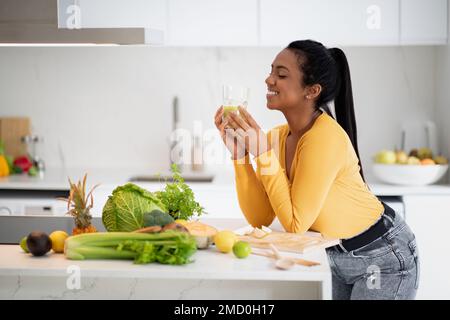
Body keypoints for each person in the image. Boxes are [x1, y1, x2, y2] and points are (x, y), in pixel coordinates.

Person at [213, 40, 419, 300]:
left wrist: (263, 153)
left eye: (281, 74)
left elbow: (296, 224)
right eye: (271, 71)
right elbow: (260, 218)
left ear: (311, 91)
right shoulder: (277, 137)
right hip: (331, 254)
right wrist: (240, 155)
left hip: (381, 256)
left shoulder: (324, 137)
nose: (269, 79)